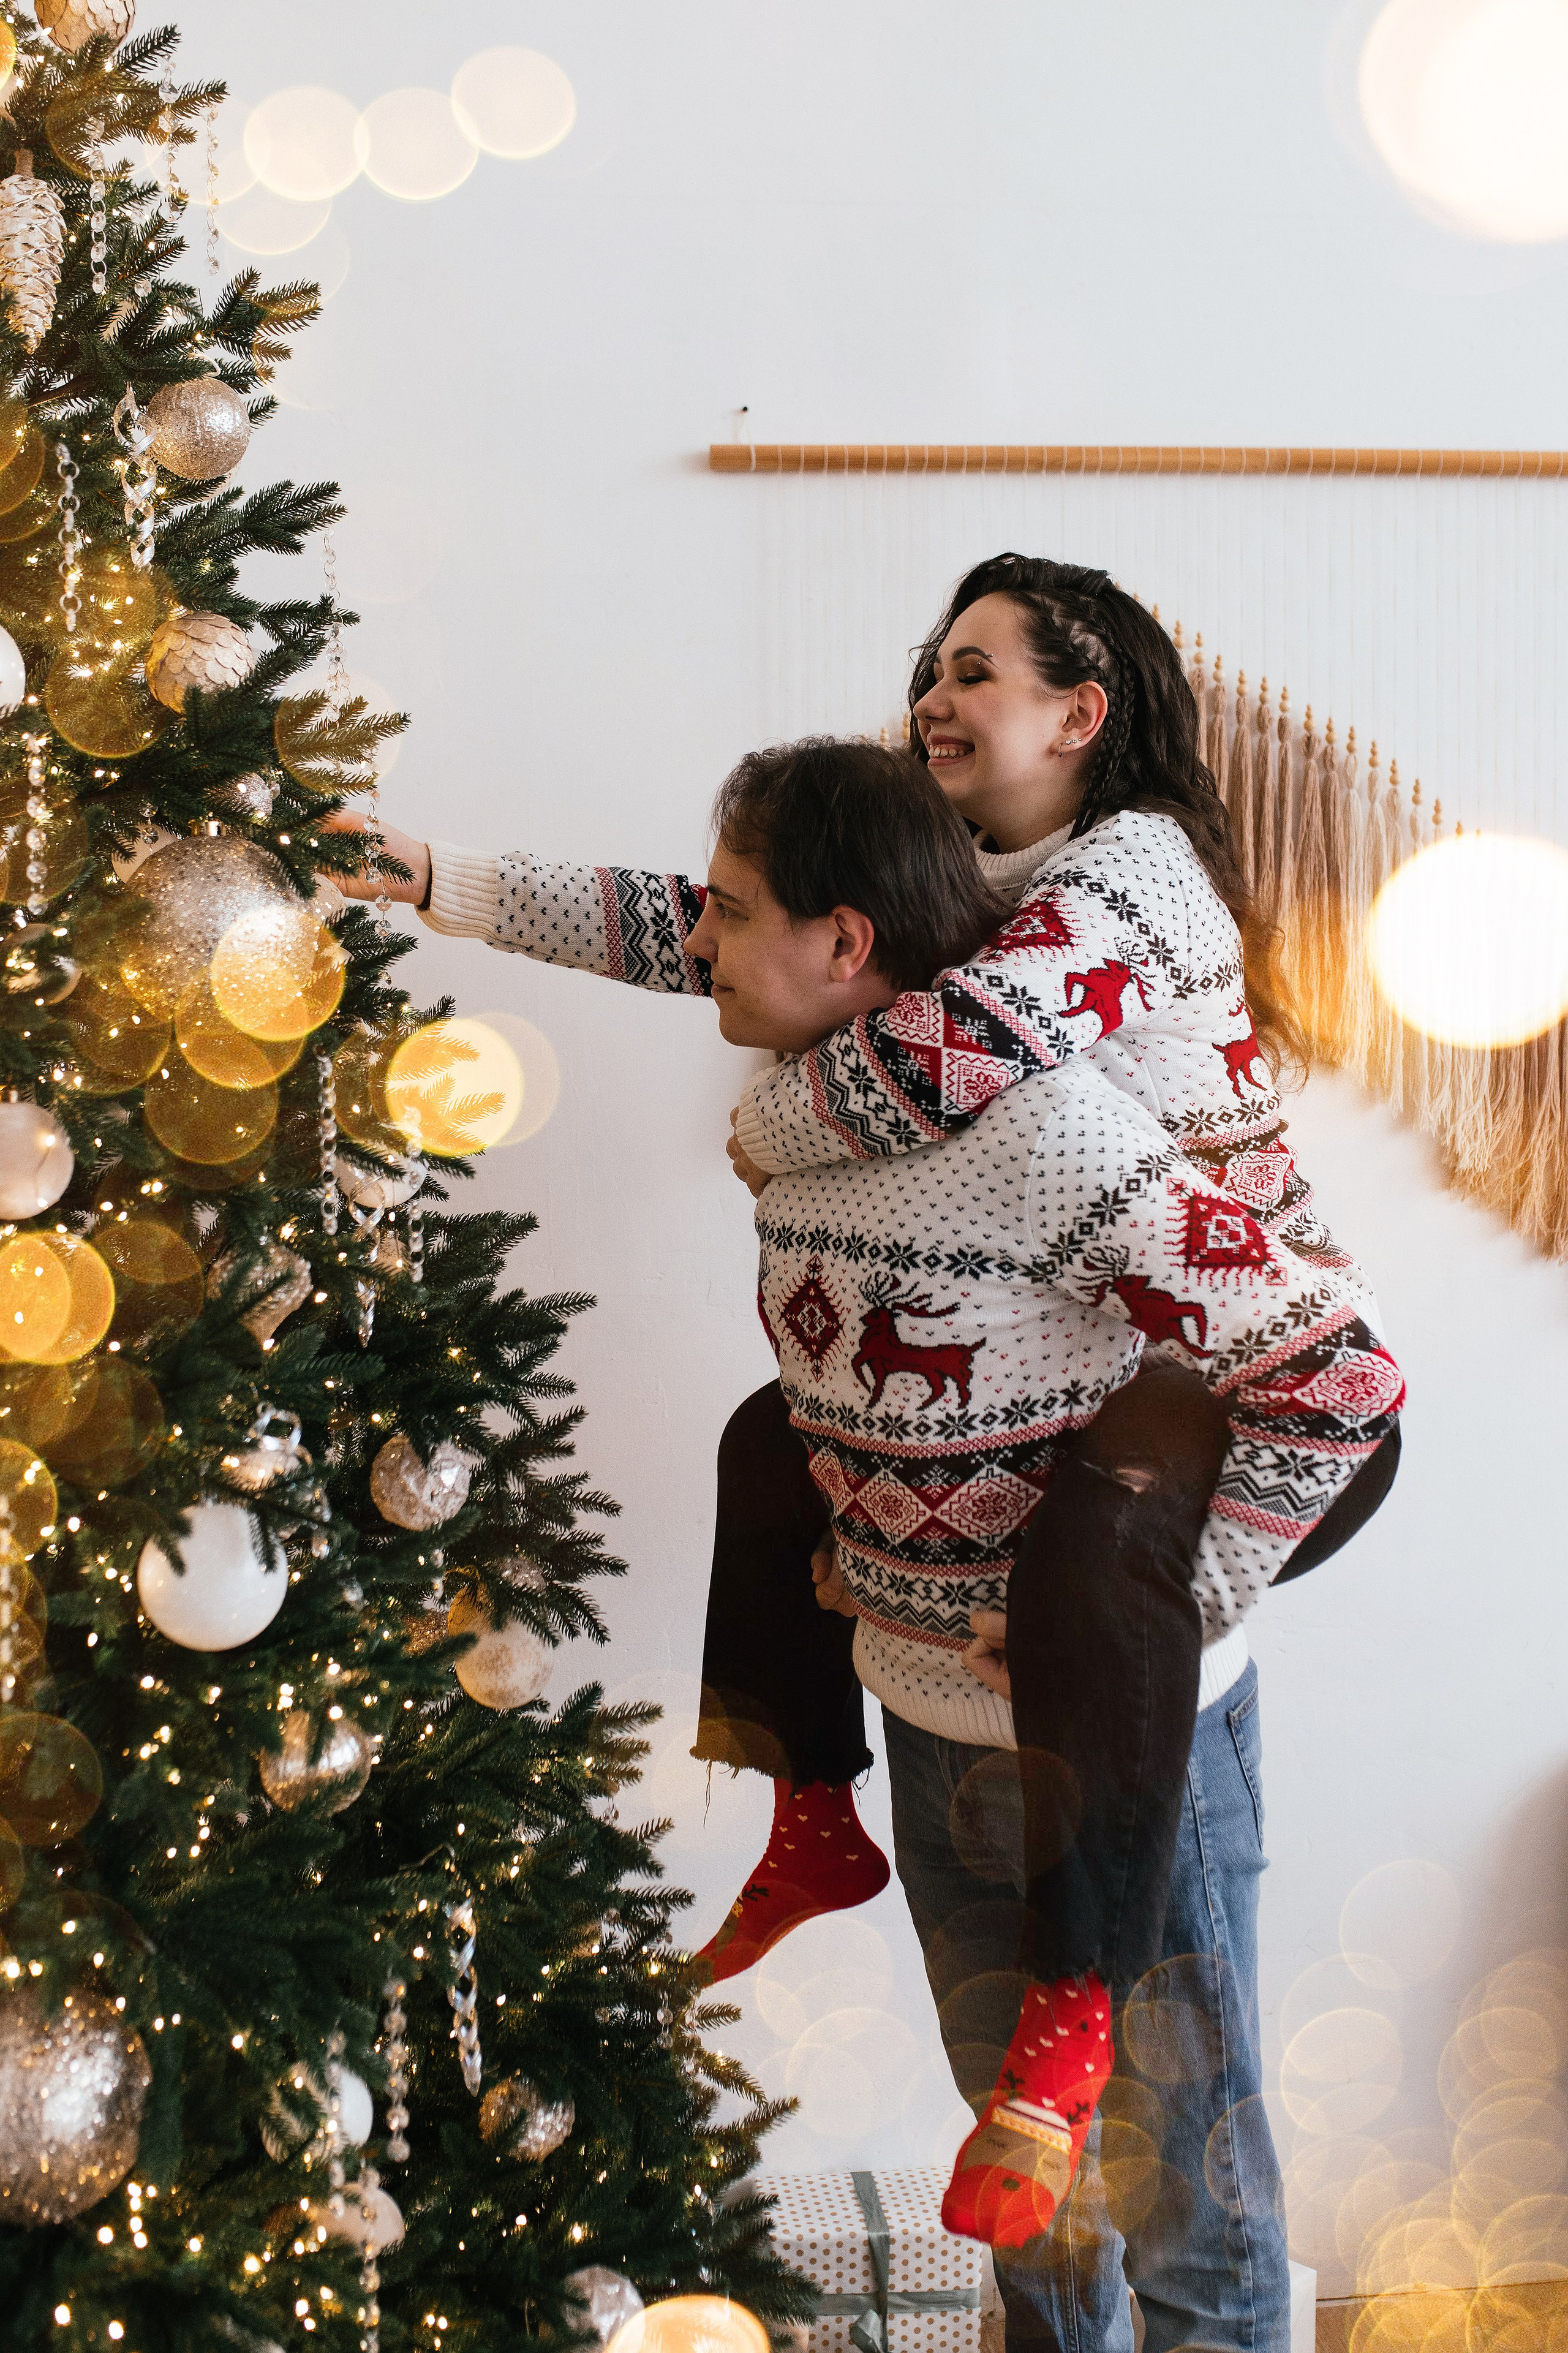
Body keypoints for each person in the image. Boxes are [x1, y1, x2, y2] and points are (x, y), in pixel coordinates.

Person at [326, 736, 1401, 2348]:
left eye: (736, 909)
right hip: (928, 1713)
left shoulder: (1052, 1138)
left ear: (845, 944)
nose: (697, 938)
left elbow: (1337, 1376)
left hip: (1124, 1747)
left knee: (1185, 2200)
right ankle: (813, 1820)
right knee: (1036, 2224)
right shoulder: (806, 1117)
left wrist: (1192, 1589)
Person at [322, 556, 1386, 1996]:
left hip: (1226, 1373)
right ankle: (812, 1811)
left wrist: (768, 1127)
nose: (927, 699)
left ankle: (1085, 1974)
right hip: (1085, 1374)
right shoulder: (949, 861)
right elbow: (716, 927)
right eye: (926, 669)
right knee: (771, 1444)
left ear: (1079, 714)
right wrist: (445, 883)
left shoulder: (1131, 877)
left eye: (972, 673)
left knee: (1091, 1605)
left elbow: (963, 1049)